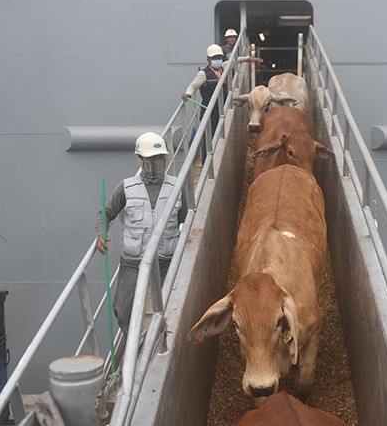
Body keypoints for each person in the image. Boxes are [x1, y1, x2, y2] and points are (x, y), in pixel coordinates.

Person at [95, 132, 187, 336]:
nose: (156, 162)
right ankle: (136, 345)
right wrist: (101, 233)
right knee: (123, 310)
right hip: (133, 261)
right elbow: (106, 212)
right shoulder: (127, 187)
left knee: (168, 310)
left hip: (166, 260)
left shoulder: (177, 187)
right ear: (140, 159)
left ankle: (158, 344)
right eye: (150, 158)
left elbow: (185, 218)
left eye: (159, 158)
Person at [181, 44, 263, 162]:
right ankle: (206, 163)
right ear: (208, 60)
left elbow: (235, 60)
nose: (217, 60)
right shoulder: (204, 74)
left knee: (220, 136)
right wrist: (188, 94)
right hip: (209, 111)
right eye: (214, 58)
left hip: (222, 109)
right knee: (209, 139)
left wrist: (249, 59)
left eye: (219, 57)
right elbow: (193, 85)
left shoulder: (223, 67)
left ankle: (217, 159)